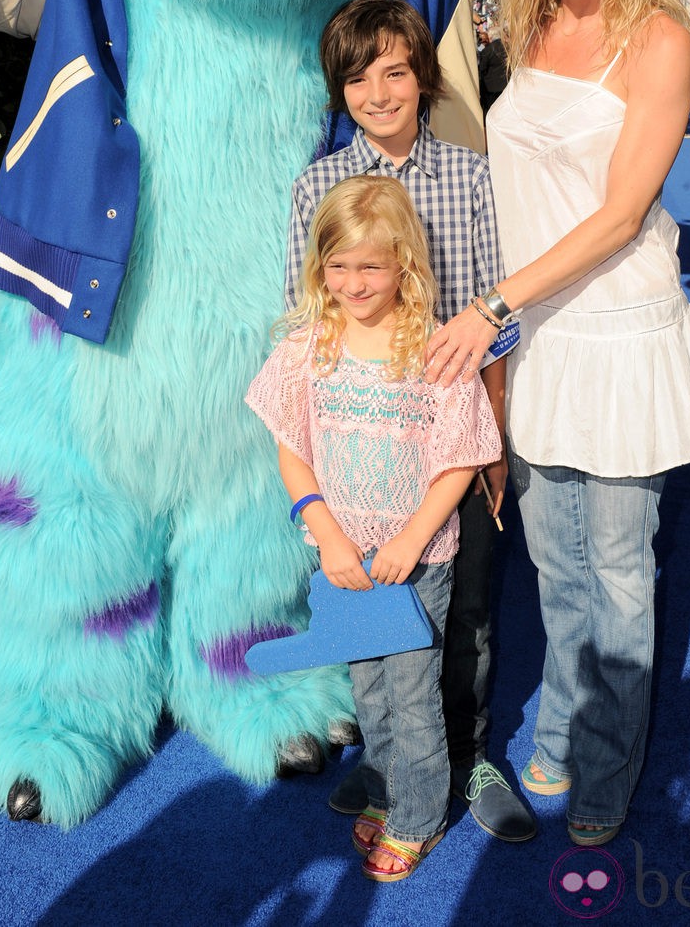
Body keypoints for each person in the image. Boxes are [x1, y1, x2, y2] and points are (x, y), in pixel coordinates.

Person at [422, 0, 690, 847]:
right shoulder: (525, 24)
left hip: (616, 333)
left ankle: (605, 764)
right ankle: (555, 719)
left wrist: (489, 308)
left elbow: (616, 214)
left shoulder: (660, 37)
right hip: (535, 336)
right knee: (549, 559)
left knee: (619, 565)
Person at [286, 0, 536, 843]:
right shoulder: (317, 185)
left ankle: (468, 757)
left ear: (423, 77)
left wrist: (493, 438)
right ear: (340, 90)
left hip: (448, 450)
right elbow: (305, 323)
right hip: (357, 452)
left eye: (395, 71)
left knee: (461, 611)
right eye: (358, 77)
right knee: (369, 610)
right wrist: (313, 479)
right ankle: (392, 760)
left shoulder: (470, 175)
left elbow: (497, 315)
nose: (379, 92)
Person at [248, 176, 503, 882]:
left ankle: (419, 819)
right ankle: (389, 791)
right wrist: (327, 532)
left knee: (413, 692)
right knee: (369, 687)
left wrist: (411, 539)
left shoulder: (437, 350)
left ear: (404, 267)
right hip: (345, 558)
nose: (354, 283)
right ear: (319, 267)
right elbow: (290, 447)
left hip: (415, 560)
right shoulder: (309, 346)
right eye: (339, 266)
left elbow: (461, 460)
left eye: (371, 266)